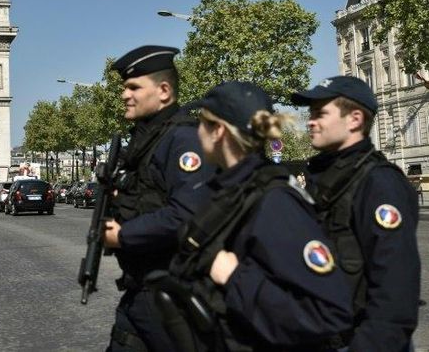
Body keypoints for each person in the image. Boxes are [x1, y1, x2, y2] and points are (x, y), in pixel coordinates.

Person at [166, 81, 353, 351]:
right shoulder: (228, 189)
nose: (196, 132)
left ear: (218, 131)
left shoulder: (274, 201)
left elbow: (329, 311)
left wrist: (234, 277)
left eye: (202, 123)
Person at [291, 75, 420, 352]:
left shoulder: (379, 184)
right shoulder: (323, 175)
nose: (310, 121)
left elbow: (395, 296)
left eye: (320, 113)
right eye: (310, 113)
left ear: (355, 119)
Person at [101, 45, 215, 352]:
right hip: (140, 289)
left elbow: (189, 215)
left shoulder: (184, 139)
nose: (125, 95)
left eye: (134, 87)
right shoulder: (145, 140)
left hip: (173, 293)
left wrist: (124, 235)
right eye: (124, 87)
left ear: (164, 91)